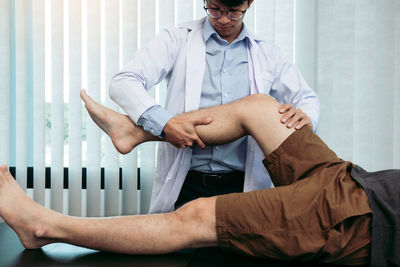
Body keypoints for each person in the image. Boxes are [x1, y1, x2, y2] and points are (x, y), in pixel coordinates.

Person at [1, 92, 398, 266]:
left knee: (194, 217)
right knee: (260, 107)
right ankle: (135, 132)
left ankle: (44, 227)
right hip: (357, 181)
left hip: (362, 218)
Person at [108, 0, 321, 212]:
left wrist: (305, 116)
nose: (224, 19)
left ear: (249, 3)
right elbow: (124, 81)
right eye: (215, 9)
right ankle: (133, 133)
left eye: (234, 12)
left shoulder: (268, 53)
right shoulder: (177, 39)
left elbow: (306, 98)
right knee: (175, 243)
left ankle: (134, 133)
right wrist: (164, 124)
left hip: (241, 186)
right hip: (186, 183)